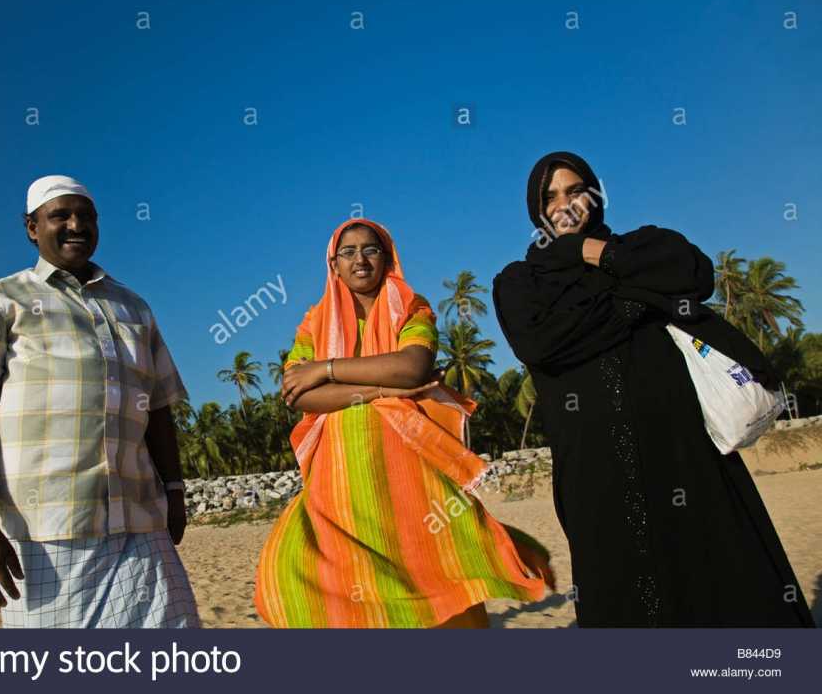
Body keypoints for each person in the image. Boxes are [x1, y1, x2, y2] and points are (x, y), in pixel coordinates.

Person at [492, 151, 815, 627]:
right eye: (550, 196)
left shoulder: (643, 245)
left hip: (685, 449)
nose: (564, 205)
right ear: (535, 208)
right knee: (620, 590)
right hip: (593, 467)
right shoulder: (520, 282)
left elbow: (695, 275)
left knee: (718, 577)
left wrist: (593, 253)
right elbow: (543, 344)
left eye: (575, 190)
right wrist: (640, 298)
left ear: (594, 194)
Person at [254, 217, 554, 628]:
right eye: (348, 251)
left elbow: (411, 368)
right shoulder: (314, 322)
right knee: (312, 582)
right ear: (334, 264)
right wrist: (381, 391)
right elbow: (299, 394)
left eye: (370, 249)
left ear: (387, 257)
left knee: (437, 573)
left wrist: (324, 369)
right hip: (337, 486)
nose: (360, 259)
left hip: (410, 478)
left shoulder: (413, 309)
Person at [0, 175, 201, 628]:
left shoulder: (133, 307)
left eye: (86, 216)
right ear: (31, 227)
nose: (75, 225)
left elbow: (157, 410)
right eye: (60, 215)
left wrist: (174, 493)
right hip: (46, 536)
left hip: (140, 527)